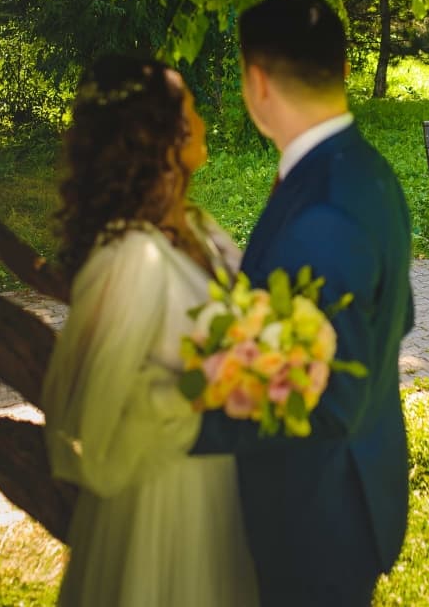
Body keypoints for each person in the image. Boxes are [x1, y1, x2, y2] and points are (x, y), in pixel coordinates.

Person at [191, 0, 414, 606]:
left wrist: (184, 415)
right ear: (342, 68)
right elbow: (398, 317)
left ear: (257, 81)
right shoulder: (368, 171)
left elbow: (322, 396)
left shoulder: (325, 204)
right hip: (346, 492)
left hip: (315, 516)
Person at [40, 55, 259, 606]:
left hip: (229, 492)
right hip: (166, 507)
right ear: (158, 134)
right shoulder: (131, 257)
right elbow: (88, 420)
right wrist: (206, 391)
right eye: (191, 108)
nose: (203, 120)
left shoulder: (201, 229)